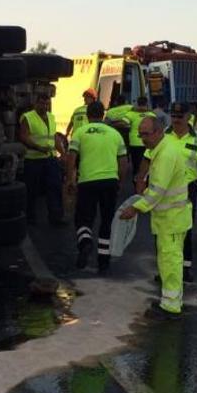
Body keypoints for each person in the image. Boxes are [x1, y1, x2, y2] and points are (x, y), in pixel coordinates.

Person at [135, 102, 197, 282]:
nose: (176, 119)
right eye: (173, 116)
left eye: (180, 116)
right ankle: (164, 268)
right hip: (162, 189)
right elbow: (147, 159)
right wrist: (140, 179)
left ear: (189, 117)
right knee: (160, 231)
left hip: (187, 190)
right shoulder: (163, 136)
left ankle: (185, 270)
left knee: (184, 230)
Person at [120, 116, 191, 319]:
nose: (142, 138)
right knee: (169, 261)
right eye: (140, 134)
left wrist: (135, 208)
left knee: (170, 262)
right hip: (172, 218)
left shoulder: (166, 154)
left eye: (146, 134)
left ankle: (170, 307)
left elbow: (157, 191)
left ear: (159, 132)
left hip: (171, 219)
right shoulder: (163, 147)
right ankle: (172, 300)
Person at [65, 101, 129, 272]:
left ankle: (85, 242)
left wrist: (70, 179)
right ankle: (103, 261)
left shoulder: (80, 132)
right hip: (110, 182)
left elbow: (71, 157)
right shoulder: (115, 134)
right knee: (106, 221)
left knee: (83, 218)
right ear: (103, 114)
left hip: (87, 182)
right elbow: (124, 163)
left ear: (87, 115)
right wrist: (120, 182)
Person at [19, 94, 64, 225]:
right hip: (33, 159)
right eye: (42, 103)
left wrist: (63, 153)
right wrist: (38, 147)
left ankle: (56, 217)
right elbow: (23, 136)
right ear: (36, 103)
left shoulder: (51, 117)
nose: (45, 106)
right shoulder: (27, 117)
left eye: (47, 104)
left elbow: (54, 137)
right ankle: (30, 218)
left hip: (50, 158)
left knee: (55, 187)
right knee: (32, 190)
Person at [122, 97, 155, 185]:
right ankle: (147, 183)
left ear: (137, 103)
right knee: (149, 165)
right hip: (149, 143)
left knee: (136, 166)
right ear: (146, 103)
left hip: (135, 143)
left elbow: (123, 123)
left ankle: (136, 184)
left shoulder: (131, 114)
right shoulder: (151, 114)